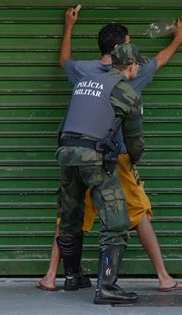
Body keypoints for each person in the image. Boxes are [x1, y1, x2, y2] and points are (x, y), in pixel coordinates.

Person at [37, 6, 182, 292]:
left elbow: (64, 60)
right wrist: (178, 37)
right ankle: (159, 277)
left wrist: (69, 25)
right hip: (112, 156)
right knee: (133, 213)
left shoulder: (84, 72)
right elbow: (161, 59)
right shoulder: (132, 76)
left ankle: (51, 276)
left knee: (69, 215)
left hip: (73, 153)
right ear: (123, 51)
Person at [56, 43, 145, 304]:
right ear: (131, 66)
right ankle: (107, 286)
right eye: (138, 64)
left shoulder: (85, 81)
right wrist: (134, 160)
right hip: (94, 157)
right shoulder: (126, 91)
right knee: (116, 220)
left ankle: (73, 276)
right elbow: (134, 139)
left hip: (67, 152)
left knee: (70, 217)